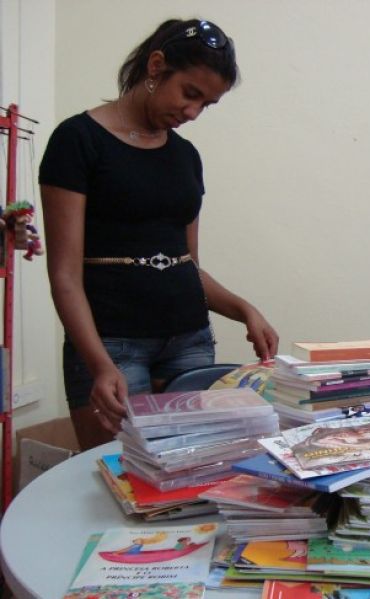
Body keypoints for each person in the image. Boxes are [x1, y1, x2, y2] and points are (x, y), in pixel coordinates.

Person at [39, 19, 279, 450]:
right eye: (190, 93)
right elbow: (64, 276)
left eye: (206, 104)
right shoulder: (77, 141)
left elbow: (188, 266)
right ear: (155, 66)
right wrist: (99, 365)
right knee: (119, 473)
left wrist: (245, 310)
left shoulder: (185, 156)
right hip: (110, 345)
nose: (193, 113)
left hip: (189, 342)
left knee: (191, 470)